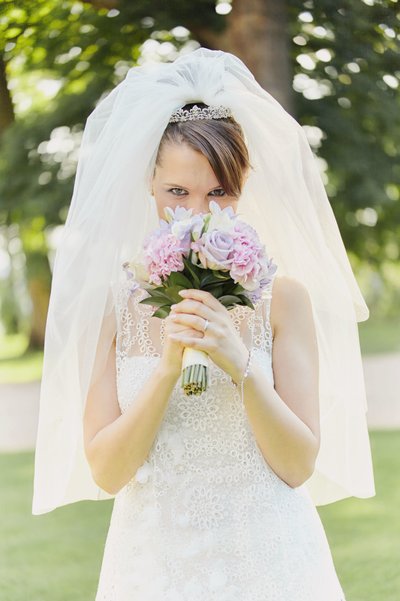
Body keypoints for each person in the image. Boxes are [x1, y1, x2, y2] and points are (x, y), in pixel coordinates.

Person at [32, 48, 375, 600]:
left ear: (243, 187)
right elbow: (107, 472)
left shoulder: (284, 301)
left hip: (270, 558)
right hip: (154, 561)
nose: (197, 211)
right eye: (178, 192)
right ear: (150, 184)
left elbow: (297, 466)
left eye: (219, 192)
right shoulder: (110, 308)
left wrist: (241, 365)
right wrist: (169, 365)